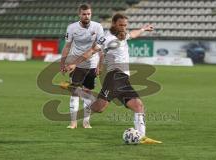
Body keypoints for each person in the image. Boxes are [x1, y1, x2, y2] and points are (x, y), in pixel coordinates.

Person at [66, 13, 162, 144]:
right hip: (114, 75)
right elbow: (91, 51)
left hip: (124, 78)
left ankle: (141, 137)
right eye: (120, 25)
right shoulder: (107, 38)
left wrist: (143, 29)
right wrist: (74, 64)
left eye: (125, 25)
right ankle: (80, 93)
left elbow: (132, 34)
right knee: (99, 108)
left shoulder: (123, 35)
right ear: (113, 24)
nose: (123, 27)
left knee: (138, 106)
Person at [60, 3, 104, 129]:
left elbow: (99, 48)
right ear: (79, 15)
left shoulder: (98, 27)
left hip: (91, 64)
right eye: (84, 14)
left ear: (91, 14)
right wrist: (62, 63)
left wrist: (99, 65)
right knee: (74, 92)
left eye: (89, 14)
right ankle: (73, 122)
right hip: (76, 65)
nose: (86, 16)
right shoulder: (72, 28)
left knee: (87, 92)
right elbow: (67, 46)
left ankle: (86, 122)